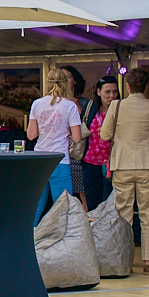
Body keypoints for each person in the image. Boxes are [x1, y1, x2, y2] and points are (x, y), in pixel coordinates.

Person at [100, 69, 149, 274]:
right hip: (147, 163)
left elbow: (104, 134)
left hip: (122, 164)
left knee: (124, 214)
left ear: (127, 86)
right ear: (145, 86)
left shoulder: (117, 106)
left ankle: (124, 259)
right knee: (148, 214)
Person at [28, 68, 83, 225]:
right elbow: (77, 137)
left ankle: (29, 240)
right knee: (62, 208)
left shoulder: (37, 104)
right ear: (66, 84)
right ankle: (60, 243)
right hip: (59, 160)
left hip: (39, 160)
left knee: (36, 207)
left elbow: (31, 135)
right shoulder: (69, 106)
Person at [82, 76, 119, 211]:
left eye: (114, 92)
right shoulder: (91, 107)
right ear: (98, 92)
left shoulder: (120, 109)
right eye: (107, 92)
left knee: (109, 203)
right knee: (92, 201)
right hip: (90, 162)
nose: (111, 96)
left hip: (112, 163)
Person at [61, 65, 91, 209]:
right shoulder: (56, 104)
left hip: (80, 152)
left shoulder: (84, 103)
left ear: (75, 81)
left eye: (68, 77)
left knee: (84, 192)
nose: (65, 81)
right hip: (62, 151)